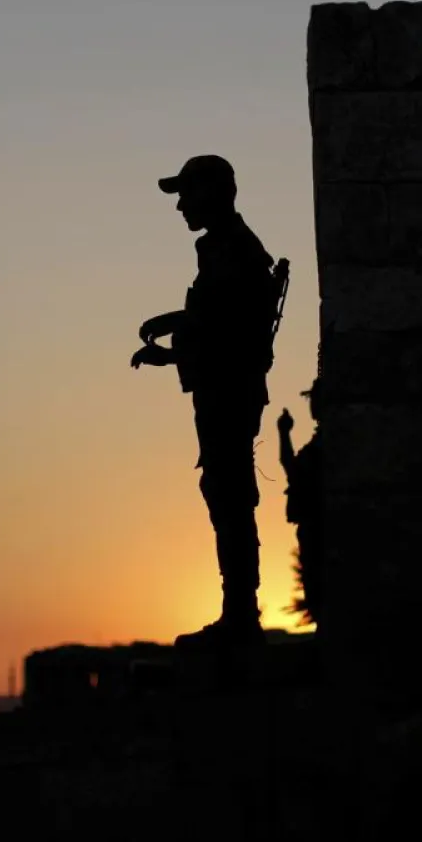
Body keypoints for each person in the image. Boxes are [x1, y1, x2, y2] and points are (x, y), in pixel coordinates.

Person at [132, 154, 287, 647]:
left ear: (215, 194)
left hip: (229, 393)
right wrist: (175, 336)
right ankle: (238, 611)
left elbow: (230, 330)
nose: (180, 206)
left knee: (231, 499)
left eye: (186, 194)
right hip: (222, 390)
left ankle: (240, 614)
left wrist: (175, 338)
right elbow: (218, 322)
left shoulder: (234, 250)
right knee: (226, 496)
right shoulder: (224, 249)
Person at [278, 378, 326, 631]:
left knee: (320, 582)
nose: (312, 404)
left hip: (319, 525)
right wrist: (284, 433)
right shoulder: (321, 442)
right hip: (311, 524)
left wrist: (284, 434)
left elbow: (293, 471)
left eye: (315, 398)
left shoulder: (328, 443)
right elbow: (293, 470)